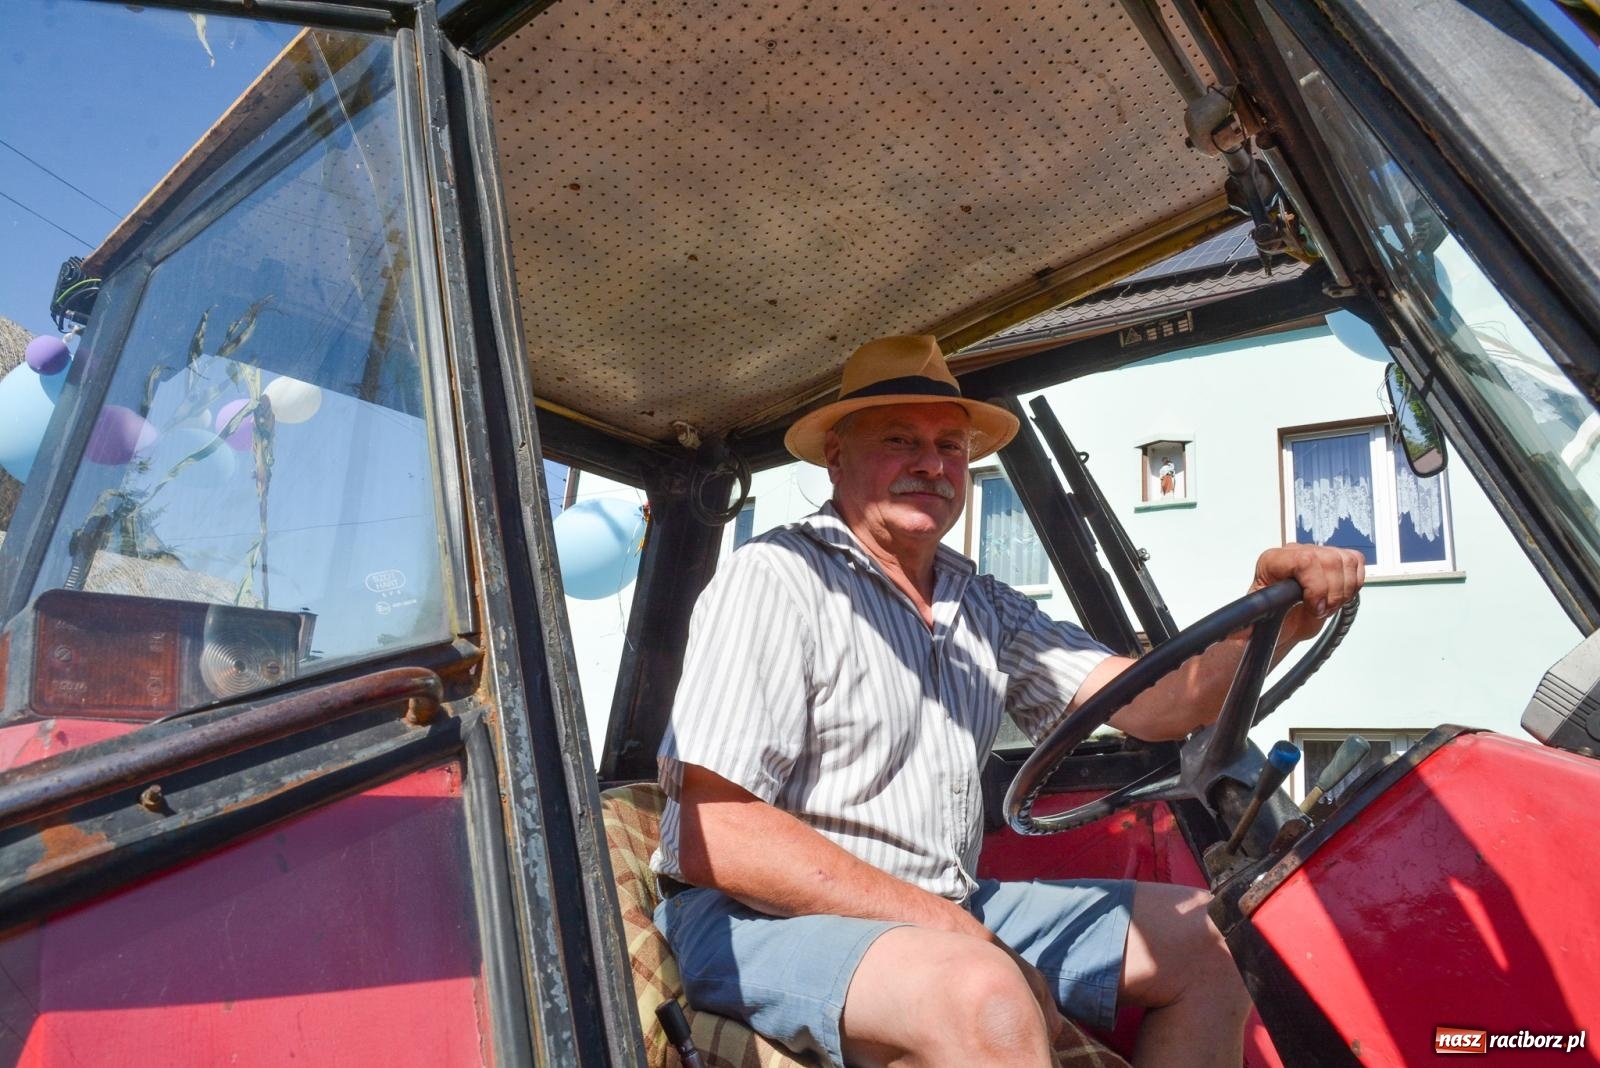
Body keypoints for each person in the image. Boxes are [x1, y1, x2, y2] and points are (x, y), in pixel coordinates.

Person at [650, 335, 1364, 1068]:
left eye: (951, 446)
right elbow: (717, 835)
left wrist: (1268, 620)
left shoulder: (981, 603)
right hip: (759, 920)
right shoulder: (776, 578)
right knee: (988, 997)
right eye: (901, 440)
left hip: (943, 903)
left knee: (1207, 942)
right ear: (837, 455)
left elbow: (1155, 705)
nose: (932, 464)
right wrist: (949, 928)